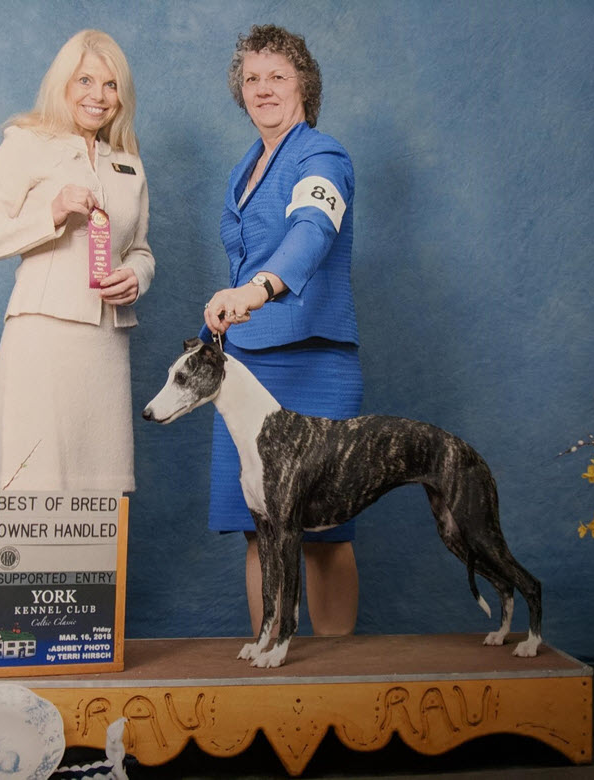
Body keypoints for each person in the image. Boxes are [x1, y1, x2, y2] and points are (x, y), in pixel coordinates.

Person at [202, 24, 362, 637]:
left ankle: (335, 684)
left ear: (304, 84)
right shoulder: (247, 167)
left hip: (313, 364)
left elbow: (312, 232)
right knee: (259, 529)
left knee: (322, 533)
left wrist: (256, 290)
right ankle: (271, 681)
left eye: (278, 76)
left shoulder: (321, 156)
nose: (262, 88)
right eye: (251, 78)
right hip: (246, 368)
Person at [0, 30, 155, 492]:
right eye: (85, 80)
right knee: (36, 490)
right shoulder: (26, 143)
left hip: (108, 345)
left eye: (111, 85)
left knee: (102, 501)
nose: (98, 95)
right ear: (62, 85)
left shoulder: (128, 163)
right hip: (41, 341)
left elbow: (142, 251)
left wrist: (136, 277)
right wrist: (49, 213)